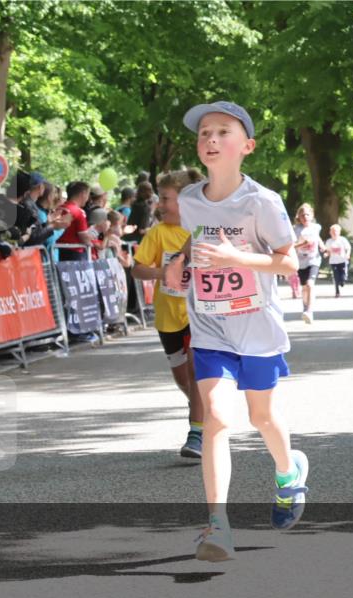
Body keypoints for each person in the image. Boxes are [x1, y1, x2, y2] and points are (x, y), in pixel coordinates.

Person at [166, 101, 306, 562]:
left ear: (245, 146)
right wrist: (179, 266)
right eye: (204, 132)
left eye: (222, 131)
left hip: (257, 329)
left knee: (261, 417)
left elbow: (289, 262)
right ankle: (217, 525)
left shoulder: (261, 202)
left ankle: (289, 473)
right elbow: (193, 240)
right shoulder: (189, 199)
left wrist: (237, 260)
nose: (210, 138)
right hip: (210, 328)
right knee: (218, 420)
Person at [132, 168, 205, 458]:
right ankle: (200, 410)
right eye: (159, 199)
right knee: (182, 380)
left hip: (198, 314)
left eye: (165, 198)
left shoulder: (201, 228)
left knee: (196, 369)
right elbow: (137, 268)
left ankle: (197, 432)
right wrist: (165, 271)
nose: (159, 205)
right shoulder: (158, 233)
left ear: (186, 200)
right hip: (168, 317)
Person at [293, 203, 324, 324]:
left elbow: (318, 238)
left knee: (310, 284)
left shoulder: (316, 227)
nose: (305, 217)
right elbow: (292, 246)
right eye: (302, 215)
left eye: (307, 214)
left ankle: (310, 311)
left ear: (312, 215)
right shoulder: (296, 230)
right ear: (299, 217)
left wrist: (323, 247)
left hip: (314, 260)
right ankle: (305, 308)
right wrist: (303, 244)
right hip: (301, 262)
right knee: (305, 288)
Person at [56, 181, 92, 261]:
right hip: (75, 254)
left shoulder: (58, 208)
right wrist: (92, 244)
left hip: (57, 251)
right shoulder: (78, 212)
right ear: (83, 194)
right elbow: (84, 236)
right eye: (88, 194)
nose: (88, 198)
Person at [324, 223, 352, 297]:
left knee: (342, 276)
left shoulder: (342, 240)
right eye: (333, 231)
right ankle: (337, 291)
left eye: (336, 231)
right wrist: (326, 254)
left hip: (342, 260)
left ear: (339, 232)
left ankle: (343, 281)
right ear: (330, 232)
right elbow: (328, 251)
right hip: (333, 262)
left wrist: (348, 254)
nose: (334, 233)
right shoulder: (329, 241)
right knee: (336, 276)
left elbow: (348, 248)